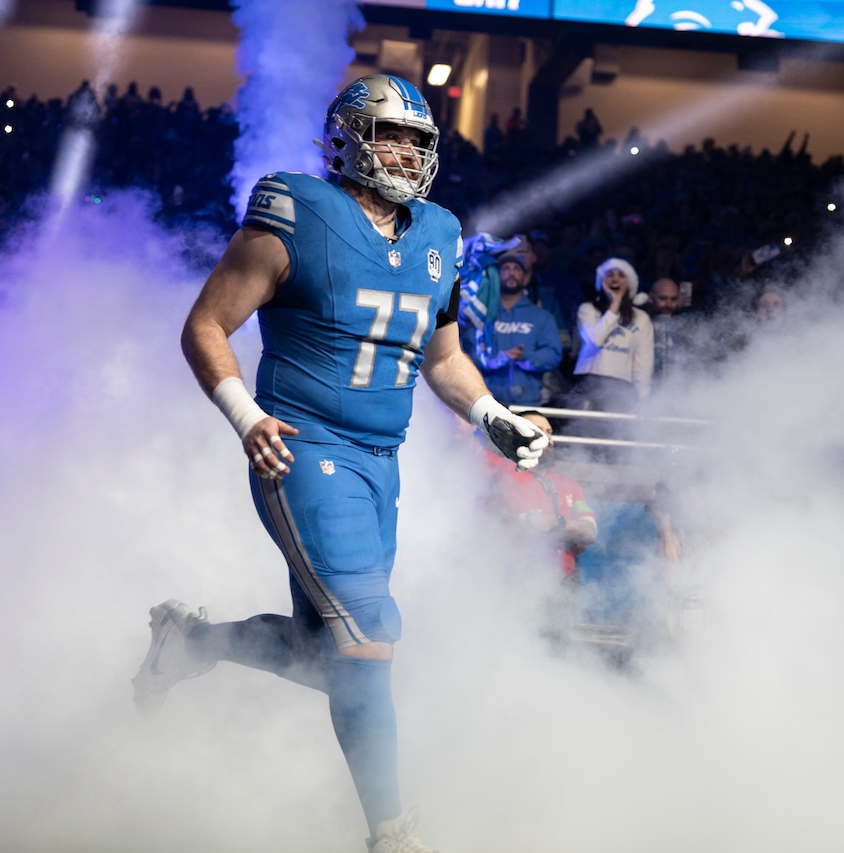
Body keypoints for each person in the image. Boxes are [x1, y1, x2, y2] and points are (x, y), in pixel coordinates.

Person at [134, 74, 548, 853]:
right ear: (347, 138)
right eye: (391, 135)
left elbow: (442, 357)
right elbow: (206, 325)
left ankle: (191, 645)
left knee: (326, 659)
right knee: (367, 642)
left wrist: (491, 414)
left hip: (380, 463)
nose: (406, 152)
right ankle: (391, 832)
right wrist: (246, 415)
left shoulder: (438, 232)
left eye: (418, 141)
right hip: (303, 447)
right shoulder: (296, 210)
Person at [487, 412, 597, 580]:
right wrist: (570, 528)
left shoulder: (570, 485)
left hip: (566, 579)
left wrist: (556, 522)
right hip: (517, 577)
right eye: (538, 431)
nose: (547, 438)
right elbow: (508, 526)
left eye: (549, 432)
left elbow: (590, 531)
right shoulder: (502, 475)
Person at [468, 239, 563, 407]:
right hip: (485, 401)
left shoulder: (541, 317)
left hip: (527, 403)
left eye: (517, 269)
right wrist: (496, 359)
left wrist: (524, 357)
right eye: (506, 268)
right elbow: (466, 351)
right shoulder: (482, 314)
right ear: (497, 275)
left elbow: (554, 354)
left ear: (525, 277)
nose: (511, 273)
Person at [572, 257, 654, 413]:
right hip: (587, 382)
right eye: (609, 275)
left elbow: (643, 363)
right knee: (582, 426)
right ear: (601, 281)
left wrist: (643, 399)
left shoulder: (641, 318)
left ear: (629, 283)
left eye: (621, 275)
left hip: (620, 387)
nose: (615, 279)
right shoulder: (588, 310)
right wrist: (614, 305)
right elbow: (595, 340)